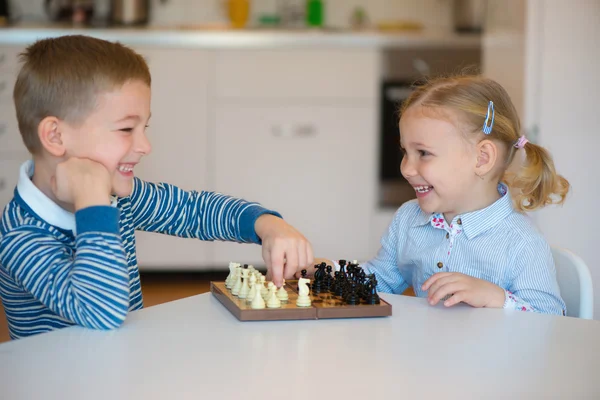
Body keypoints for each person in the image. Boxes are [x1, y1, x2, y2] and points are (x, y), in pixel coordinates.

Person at [0, 35, 313, 340]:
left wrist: (266, 223)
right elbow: (102, 311)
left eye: (144, 127)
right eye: (126, 128)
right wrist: (92, 201)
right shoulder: (22, 236)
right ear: (55, 136)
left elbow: (194, 210)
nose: (145, 146)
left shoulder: (117, 197)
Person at [313, 74, 570, 315]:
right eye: (406, 152)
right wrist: (329, 272)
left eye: (423, 153)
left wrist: (495, 298)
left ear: (482, 158)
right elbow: (379, 280)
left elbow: (549, 317)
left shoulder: (522, 242)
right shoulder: (408, 220)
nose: (406, 168)